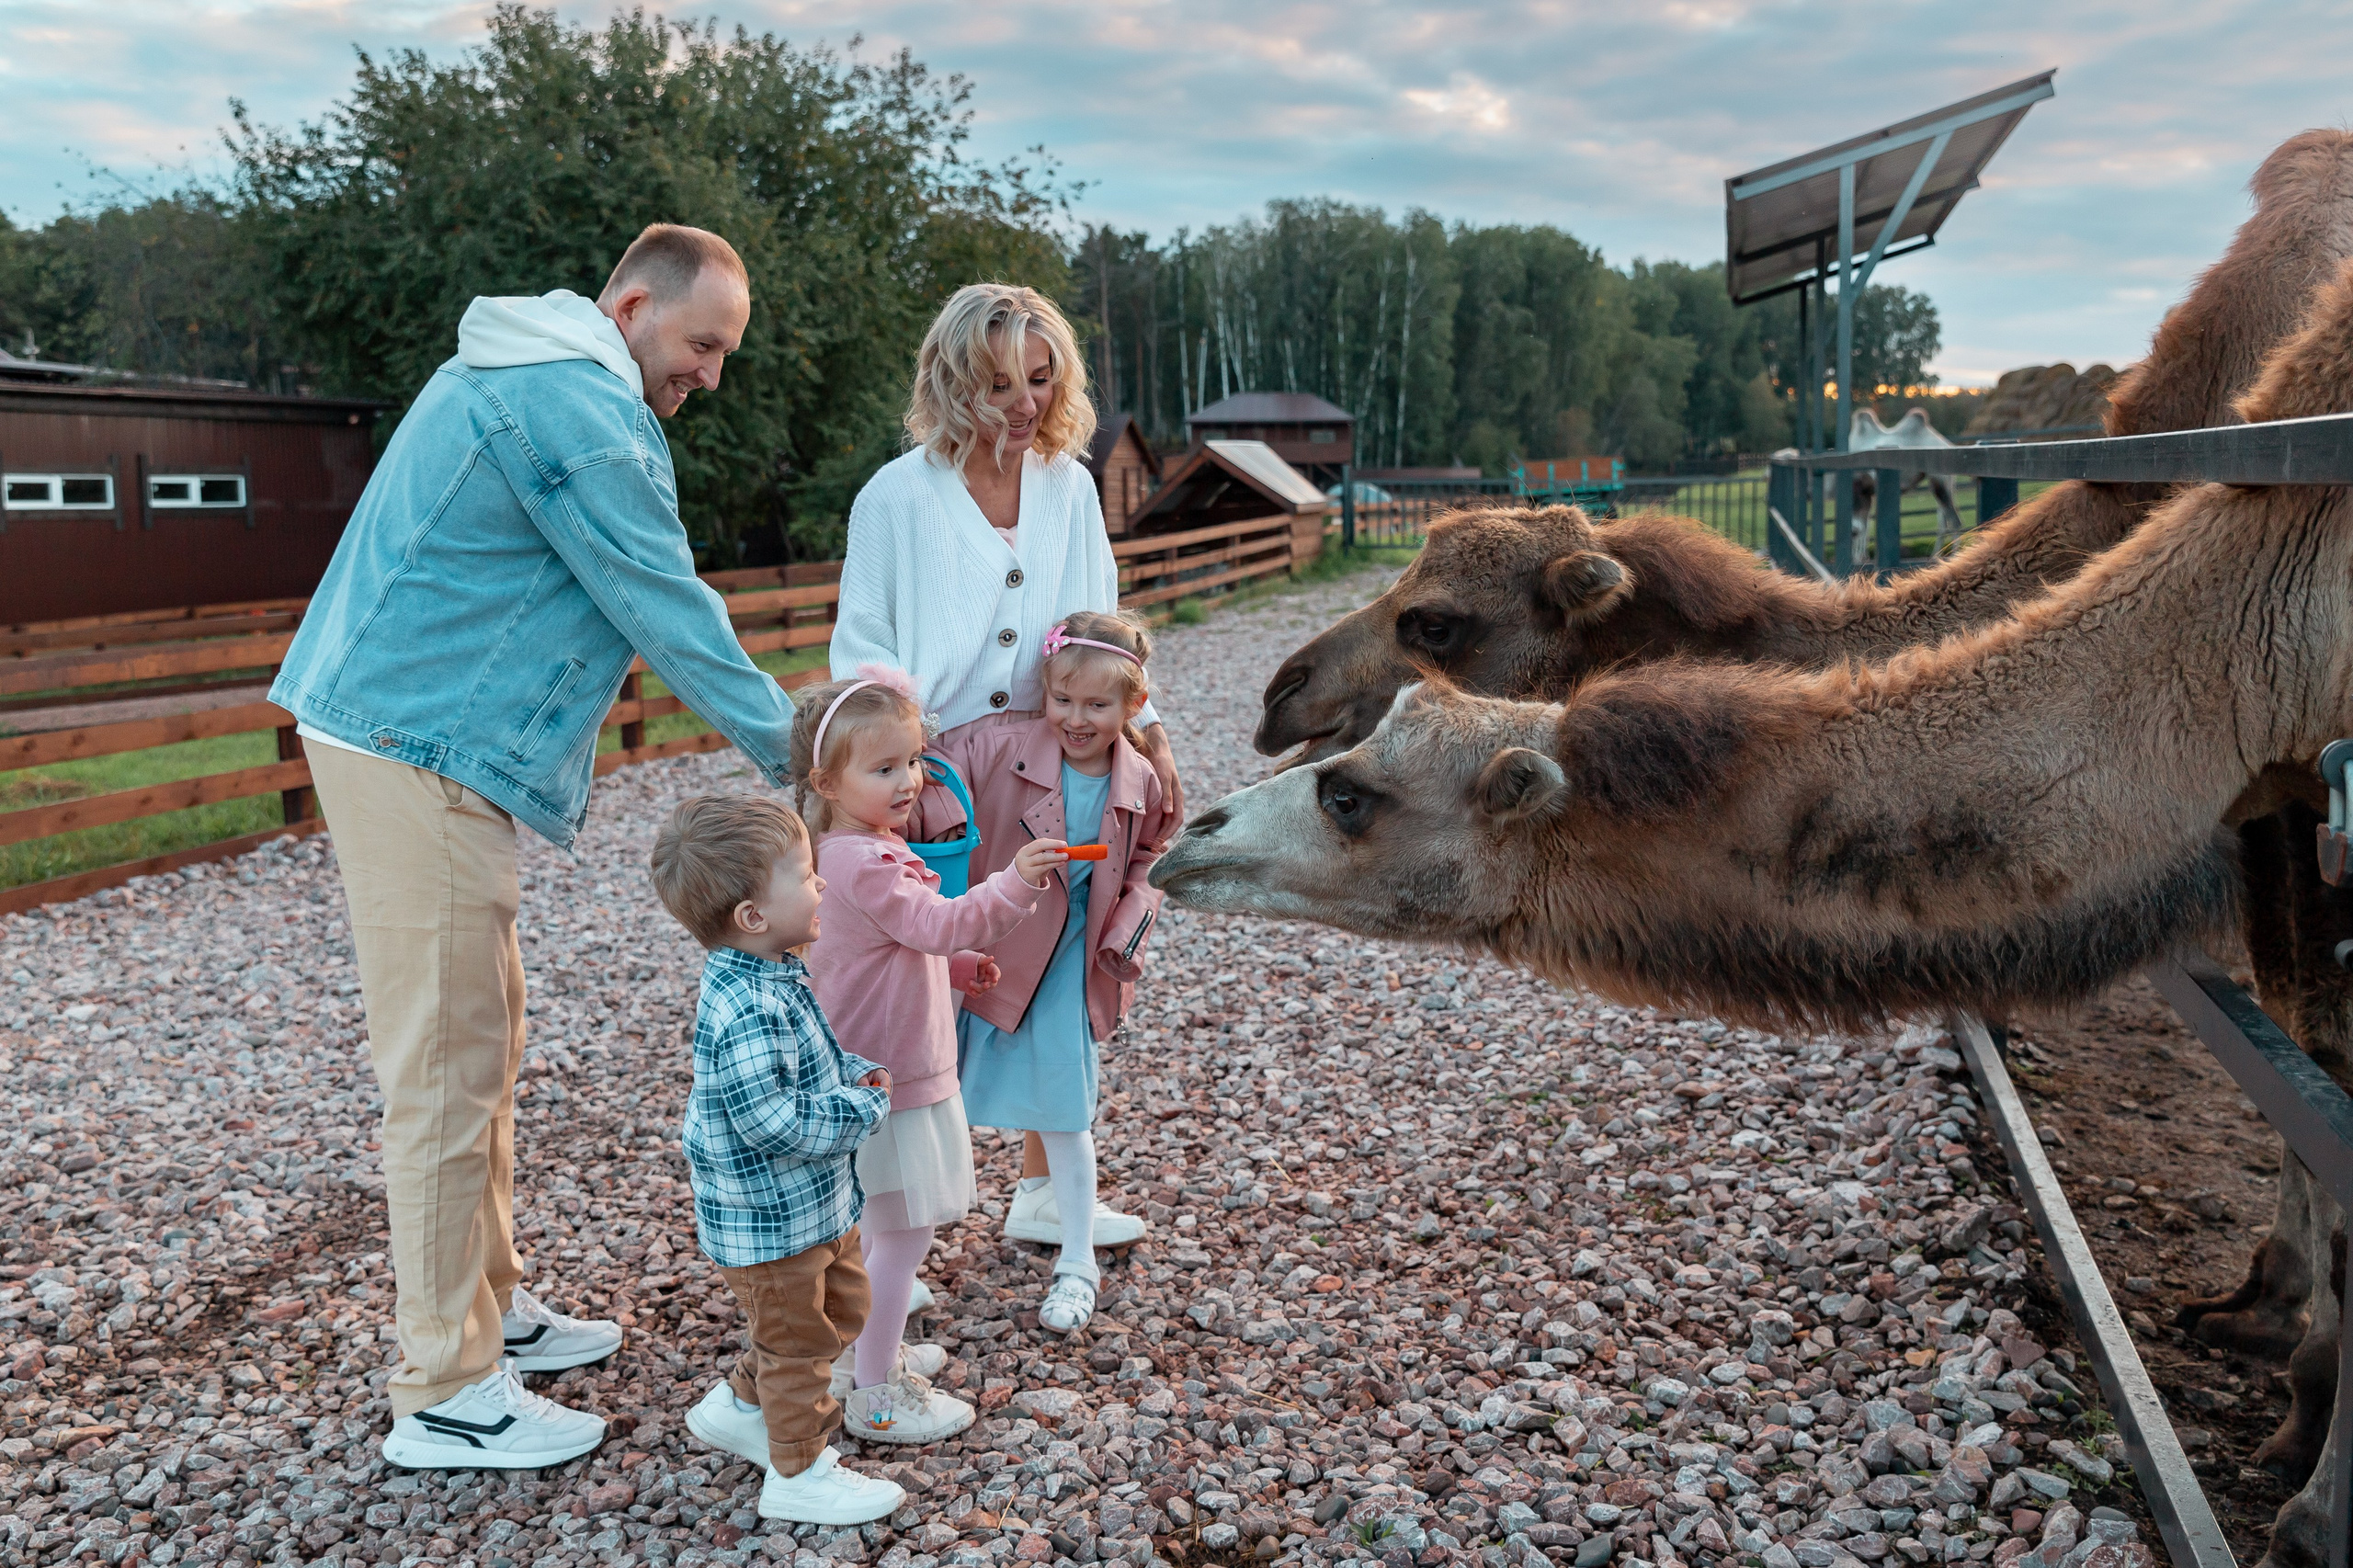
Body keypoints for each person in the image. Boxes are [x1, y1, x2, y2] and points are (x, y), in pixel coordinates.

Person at [271, 223, 797, 1467]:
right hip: (416, 740)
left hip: (419, 736)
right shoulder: (579, 406)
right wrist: (803, 753)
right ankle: (446, 1386)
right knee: (445, 1069)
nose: (711, 374)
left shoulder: (530, 374)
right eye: (702, 342)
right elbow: (661, 596)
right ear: (630, 307)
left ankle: (489, 1310)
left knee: (484, 1036)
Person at [832, 281, 1173, 1254]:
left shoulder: (1067, 484)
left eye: (1039, 377)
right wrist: (895, 777)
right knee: (910, 985)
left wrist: (1149, 738)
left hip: (1050, 759)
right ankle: (886, 1229)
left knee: (1053, 966)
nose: (1022, 403)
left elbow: (1103, 626)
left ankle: (1038, 1191)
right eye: (995, 383)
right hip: (928, 771)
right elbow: (860, 650)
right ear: (950, 382)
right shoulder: (894, 496)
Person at [794, 668, 1067, 1443]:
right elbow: (938, 922)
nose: (909, 781)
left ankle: (863, 1356)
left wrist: (947, 971)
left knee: (883, 1229)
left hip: (878, 1068)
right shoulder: (866, 860)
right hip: (895, 1077)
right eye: (884, 768)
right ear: (827, 781)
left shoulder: (855, 847)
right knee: (903, 1233)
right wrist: (1013, 883)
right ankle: (875, 1394)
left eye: (912, 761)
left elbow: (875, 949)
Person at [651, 796, 907, 1525]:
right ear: (753, 916)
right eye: (804, 873)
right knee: (798, 1347)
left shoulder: (774, 972)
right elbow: (772, 1120)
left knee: (837, 1311)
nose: (821, 882)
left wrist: (851, 1072)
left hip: (813, 1207)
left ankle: (737, 1404)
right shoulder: (745, 1007)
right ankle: (798, 1471)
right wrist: (863, 1108)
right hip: (771, 1228)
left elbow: (808, 1065)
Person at [939, 611, 1174, 1333]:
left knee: (1068, 1108)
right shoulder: (993, 747)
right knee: (924, 1099)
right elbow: (924, 782)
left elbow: (1150, 860)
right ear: (1044, 689)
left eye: (1097, 705)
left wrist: (1126, 935)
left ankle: (1078, 1260)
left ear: (1133, 706)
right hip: (989, 949)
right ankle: (890, 1254)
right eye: (1063, 700)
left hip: (1071, 956)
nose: (1076, 719)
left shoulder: (1140, 780)